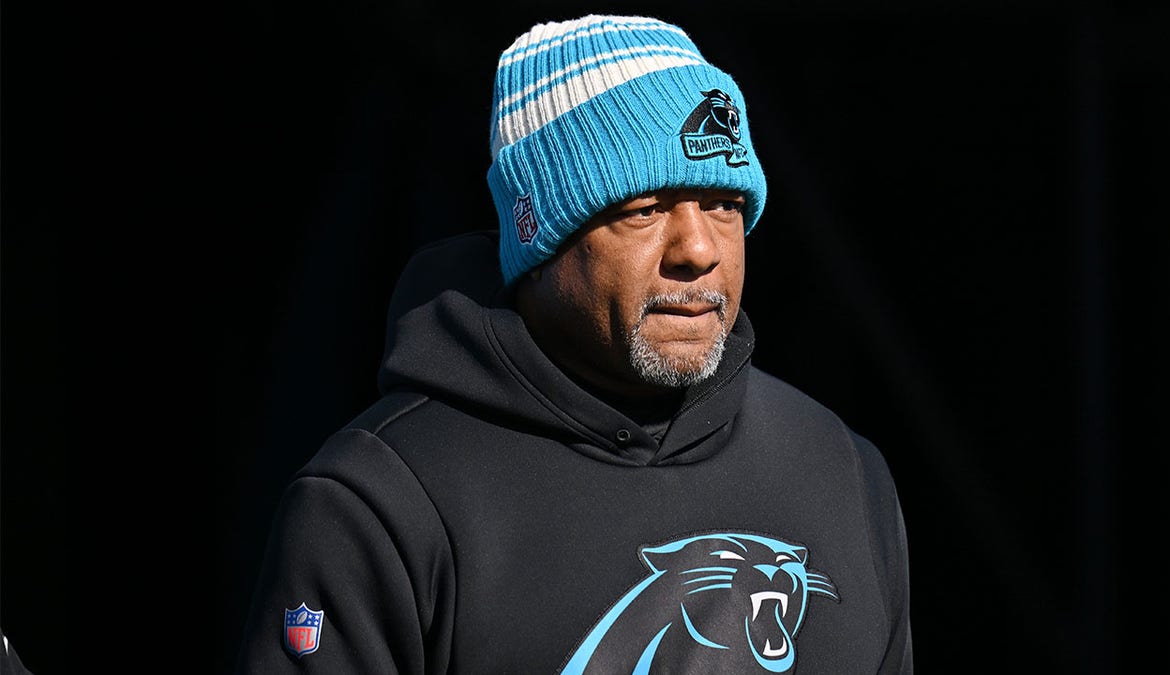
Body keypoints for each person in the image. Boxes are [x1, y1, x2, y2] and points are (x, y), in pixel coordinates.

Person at [235, 13, 912, 674]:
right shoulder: (382, 500)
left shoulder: (842, 471)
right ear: (539, 238)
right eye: (643, 209)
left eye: (723, 204)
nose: (699, 249)